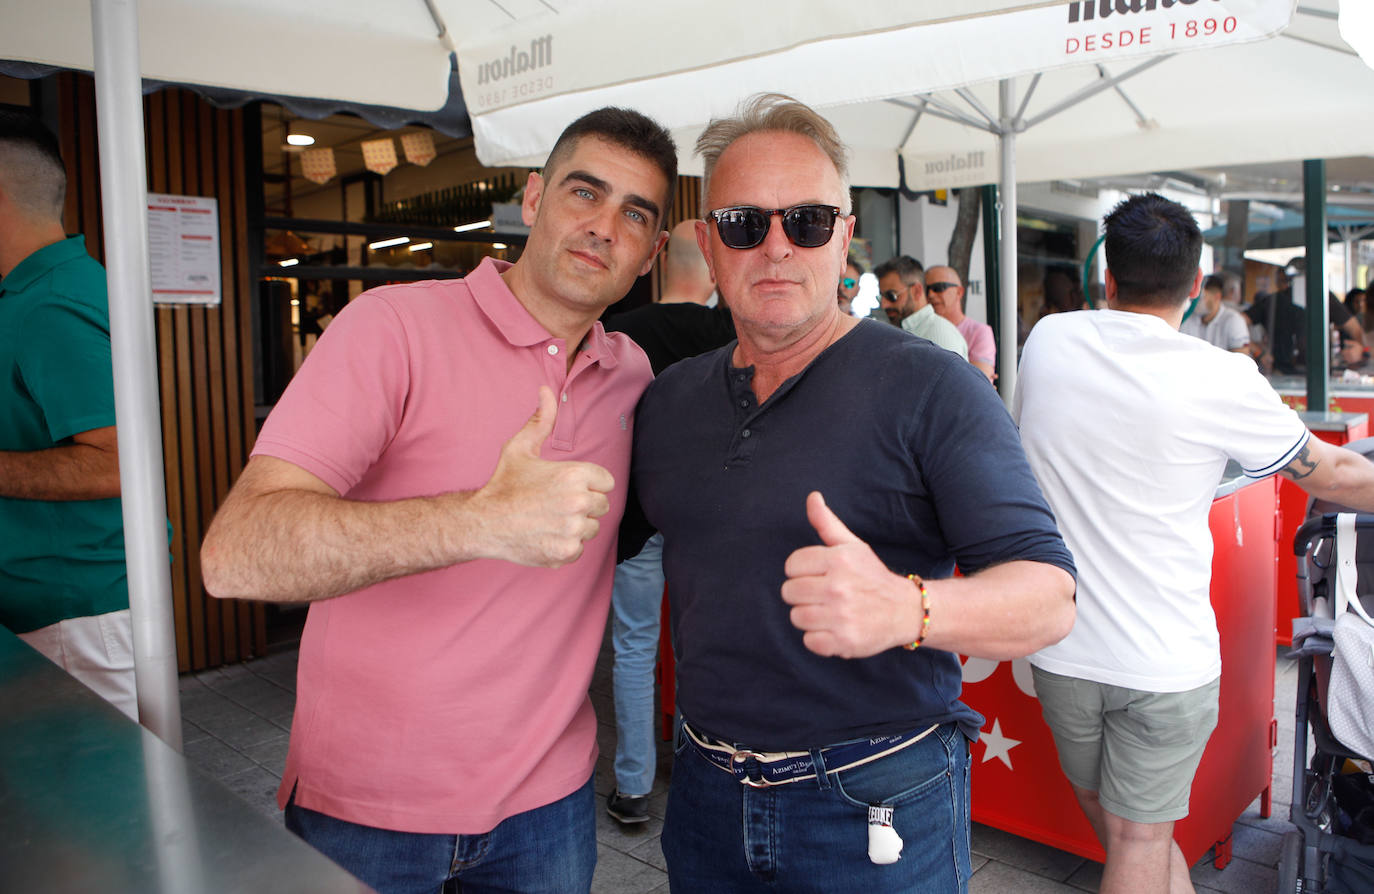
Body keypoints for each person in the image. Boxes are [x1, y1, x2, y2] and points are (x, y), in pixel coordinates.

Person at [200, 107, 677, 894]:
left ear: (652, 253)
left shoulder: (633, 378)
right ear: (532, 199)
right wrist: (480, 521)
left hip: (549, 813)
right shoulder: (391, 329)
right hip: (368, 809)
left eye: (634, 213)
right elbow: (235, 555)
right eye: (584, 193)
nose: (602, 227)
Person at [632, 93, 1076, 893]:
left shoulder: (933, 386)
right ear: (706, 243)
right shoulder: (667, 403)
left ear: (843, 238)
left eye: (805, 221)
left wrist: (909, 610)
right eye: (743, 224)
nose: (775, 248)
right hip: (703, 795)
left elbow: (1049, 599)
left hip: (875, 802)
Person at [1015, 192, 1374, 894]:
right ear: (1193, 287)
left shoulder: (1049, 341)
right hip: (1162, 662)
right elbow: (1327, 471)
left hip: (1061, 649)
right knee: (1140, 839)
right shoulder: (1222, 376)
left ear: (1107, 277)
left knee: (1120, 830)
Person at [0, 111, 134, 721]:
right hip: (65, 610)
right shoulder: (52, 289)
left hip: (72, 618)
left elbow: (118, 467)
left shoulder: (49, 303)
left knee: (100, 809)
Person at [600, 220, 734, 825]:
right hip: (708, 521)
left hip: (633, 518)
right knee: (697, 646)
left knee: (633, 649)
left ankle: (633, 787)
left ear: (658, 266)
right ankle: (693, 764)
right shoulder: (732, 334)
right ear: (711, 269)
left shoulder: (619, 334)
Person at [1244, 259, 1365, 373]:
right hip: (1282, 372)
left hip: (1317, 373)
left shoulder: (1323, 297)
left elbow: (1355, 329)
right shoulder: (1274, 301)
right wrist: (1258, 351)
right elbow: (1239, 322)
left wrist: (1359, 350)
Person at [874, 254, 968, 359]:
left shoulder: (939, 334)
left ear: (916, 291)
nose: (884, 304)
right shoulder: (901, 329)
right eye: (881, 297)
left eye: (891, 296)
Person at [926, 265, 996, 383]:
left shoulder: (980, 332)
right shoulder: (921, 329)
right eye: (926, 289)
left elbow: (977, 384)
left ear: (959, 292)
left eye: (938, 288)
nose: (930, 295)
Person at [1180, 273, 1249, 353]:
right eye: (1195, 297)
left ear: (1217, 297)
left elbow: (1241, 358)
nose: (1197, 302)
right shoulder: (1187, 318)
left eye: (1201, 297)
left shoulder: (1234, 320)